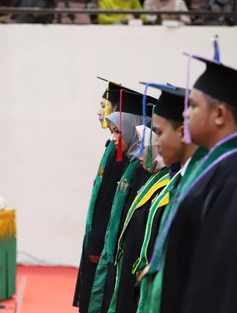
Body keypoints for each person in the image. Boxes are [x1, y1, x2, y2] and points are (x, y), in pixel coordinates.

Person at [153, 56, 237, 312]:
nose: (185, 113)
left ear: (219, 114)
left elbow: (219, 288)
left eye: (194, 106)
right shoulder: (221, 168)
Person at [134, 84, 204, 313]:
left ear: (183, 131)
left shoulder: (203, 186)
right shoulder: (178, 180)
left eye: (159, 133)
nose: (154, 142)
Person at [88, 89, 157, 313]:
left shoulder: (143, 170)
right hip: (117, 254)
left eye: (118, 131)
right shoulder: (130, 162)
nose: (115, 138)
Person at [73, 79, 133, 312]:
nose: (99, 112)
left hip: (102, 242)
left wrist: (97, 242)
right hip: (95, 237)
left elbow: (109, 200)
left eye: (104, 105)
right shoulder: (112, 146)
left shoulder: (122, 152)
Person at [108, 122, 169, 313]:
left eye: (145, 146)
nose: (140, 153)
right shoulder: (149, 175)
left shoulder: (168, 183)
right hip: (130, 267)